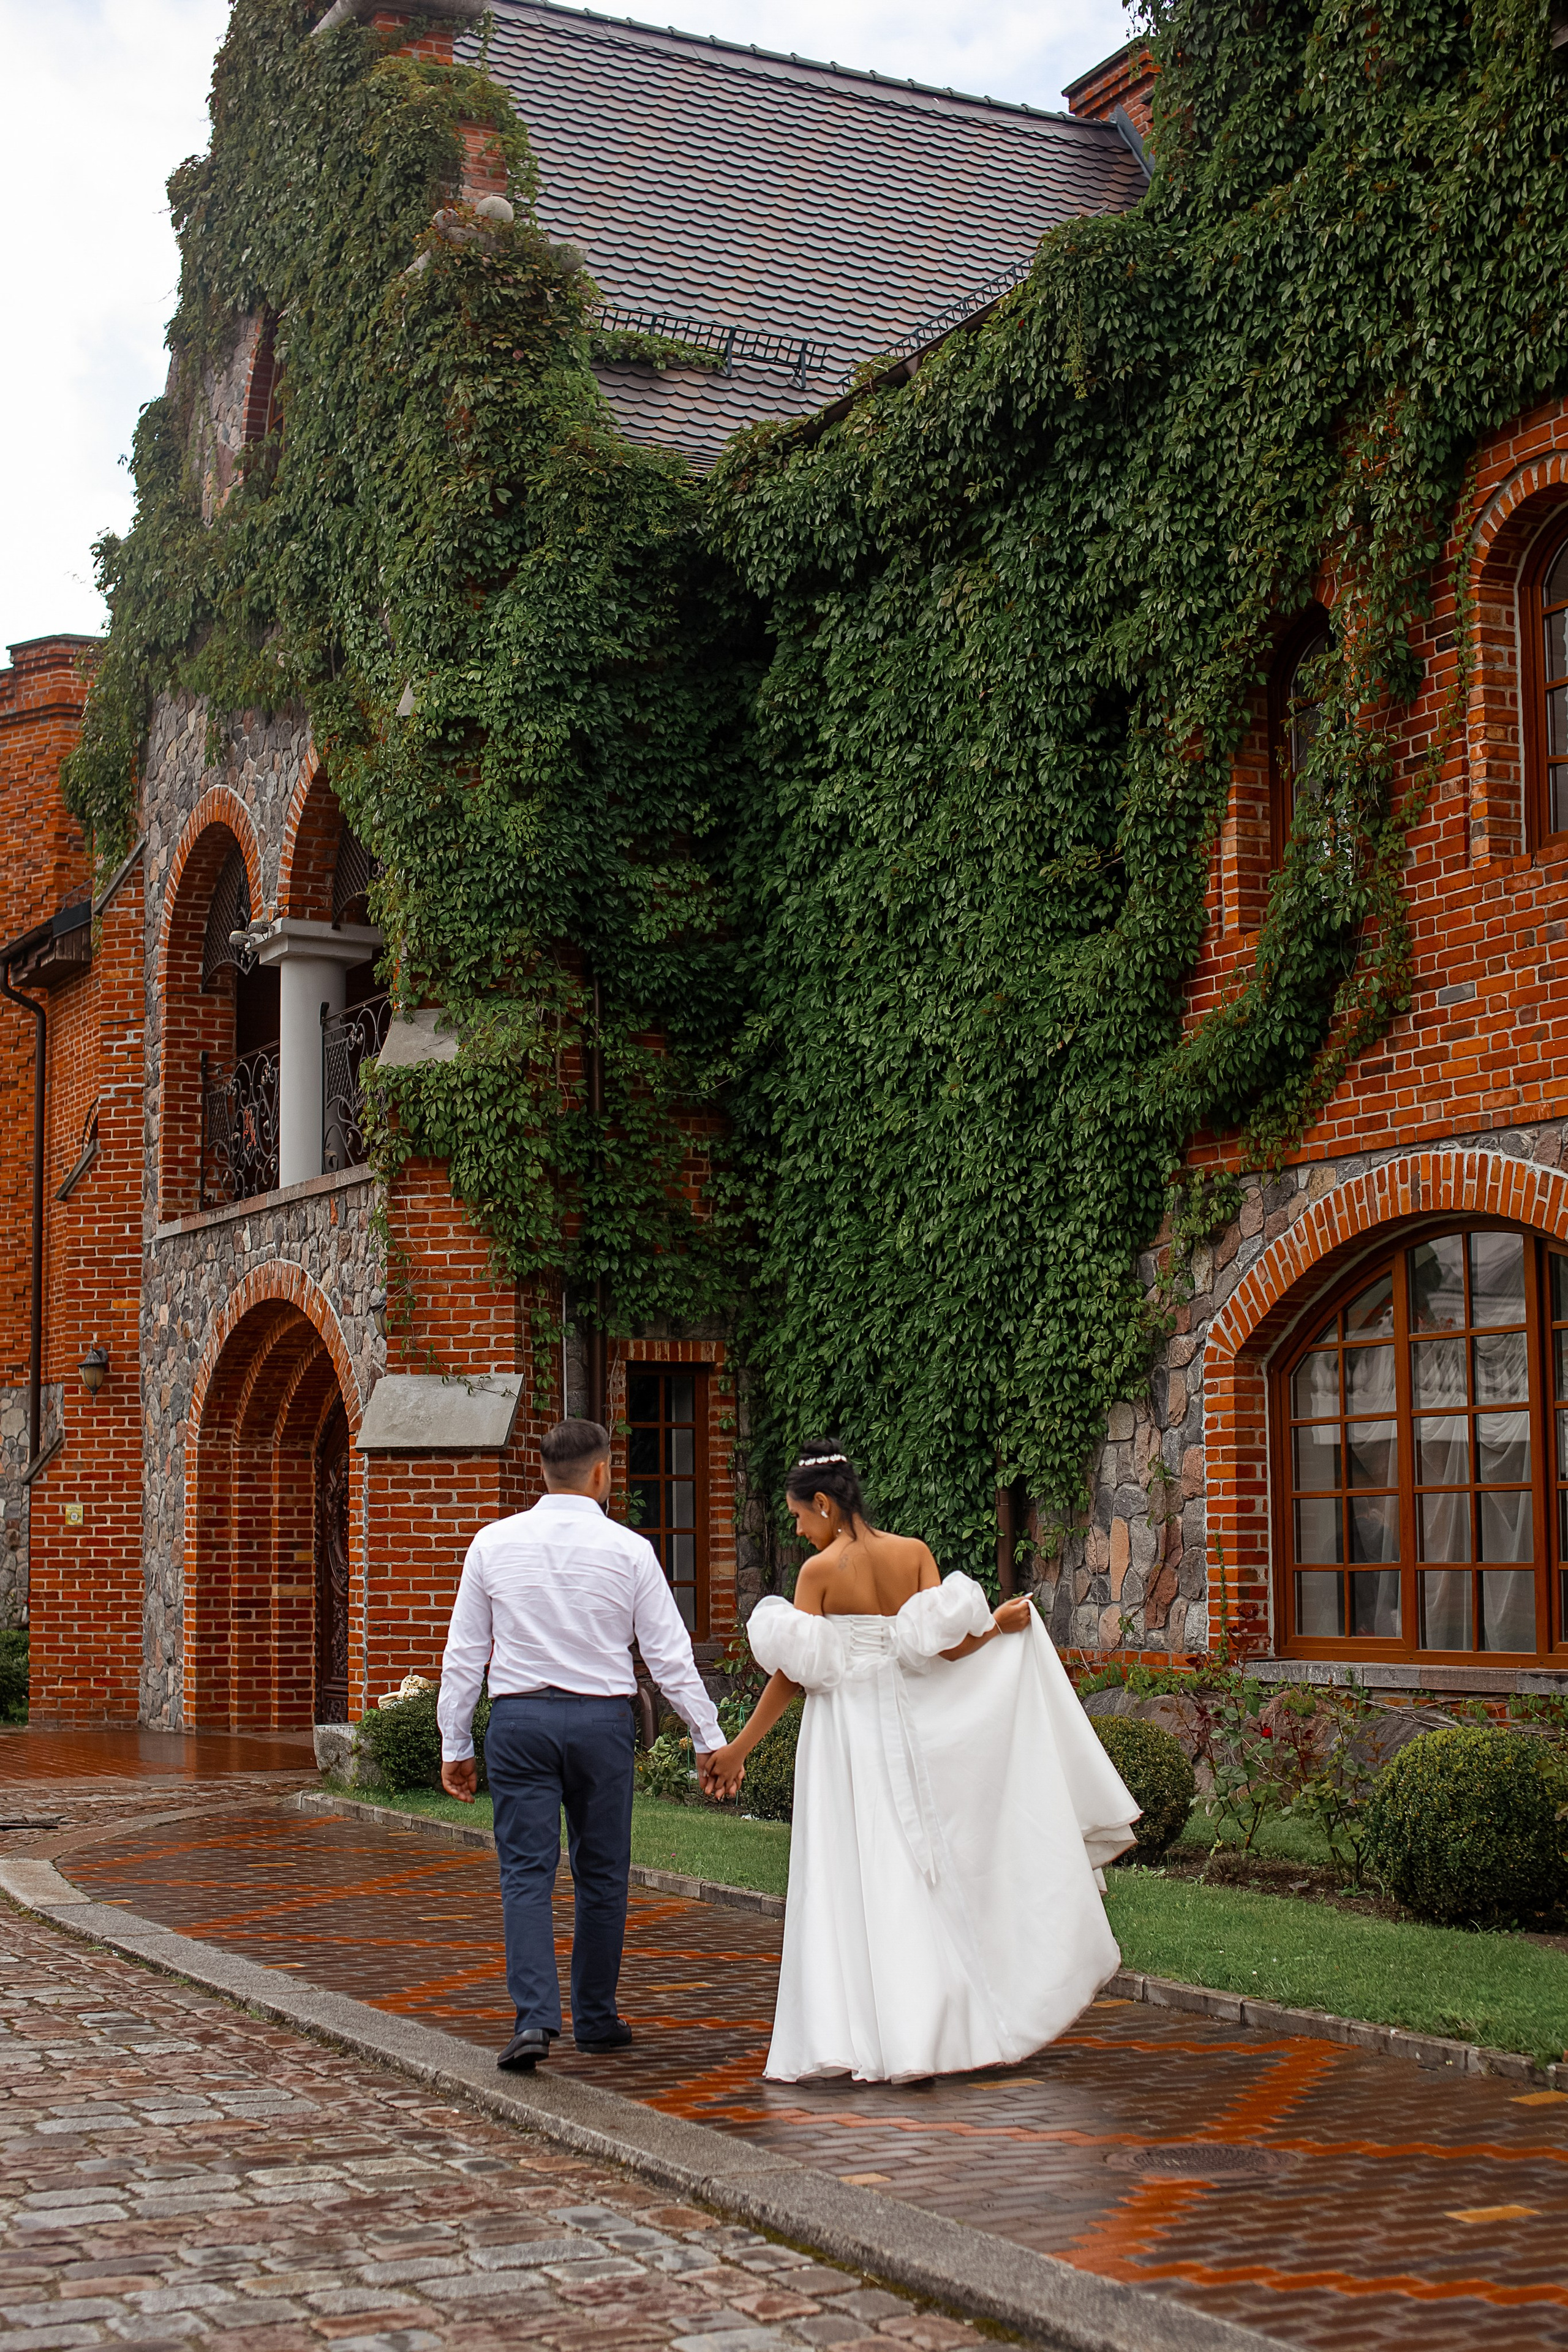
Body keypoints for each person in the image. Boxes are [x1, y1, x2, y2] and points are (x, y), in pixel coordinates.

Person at [698, 1441, 1140, 2084]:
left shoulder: (818, 1573)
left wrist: (738, 1748)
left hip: (844, 1739)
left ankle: (880, 2034)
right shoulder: (913, 1554)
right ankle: (937, 2028)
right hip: (904, 1729)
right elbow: (947, 1649)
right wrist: (996, 1626)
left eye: (798, 1516)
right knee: (915, 1863)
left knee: (856, 1872)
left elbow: (793, 1675)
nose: (797, 1530)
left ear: (823, 1504)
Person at [438, 1415, 726, 2073]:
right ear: (601, 1473)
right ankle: (595, 2018)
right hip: (601, 1724)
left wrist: (456, 1742)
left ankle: (534, 2019)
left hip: (520, 1723)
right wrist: (707, 1737)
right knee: (602, 1873)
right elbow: (669, 1657)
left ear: (543, 1472)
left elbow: (465, 1654)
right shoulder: (631, 1551)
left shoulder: (491, 1543)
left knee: (525, 1873)